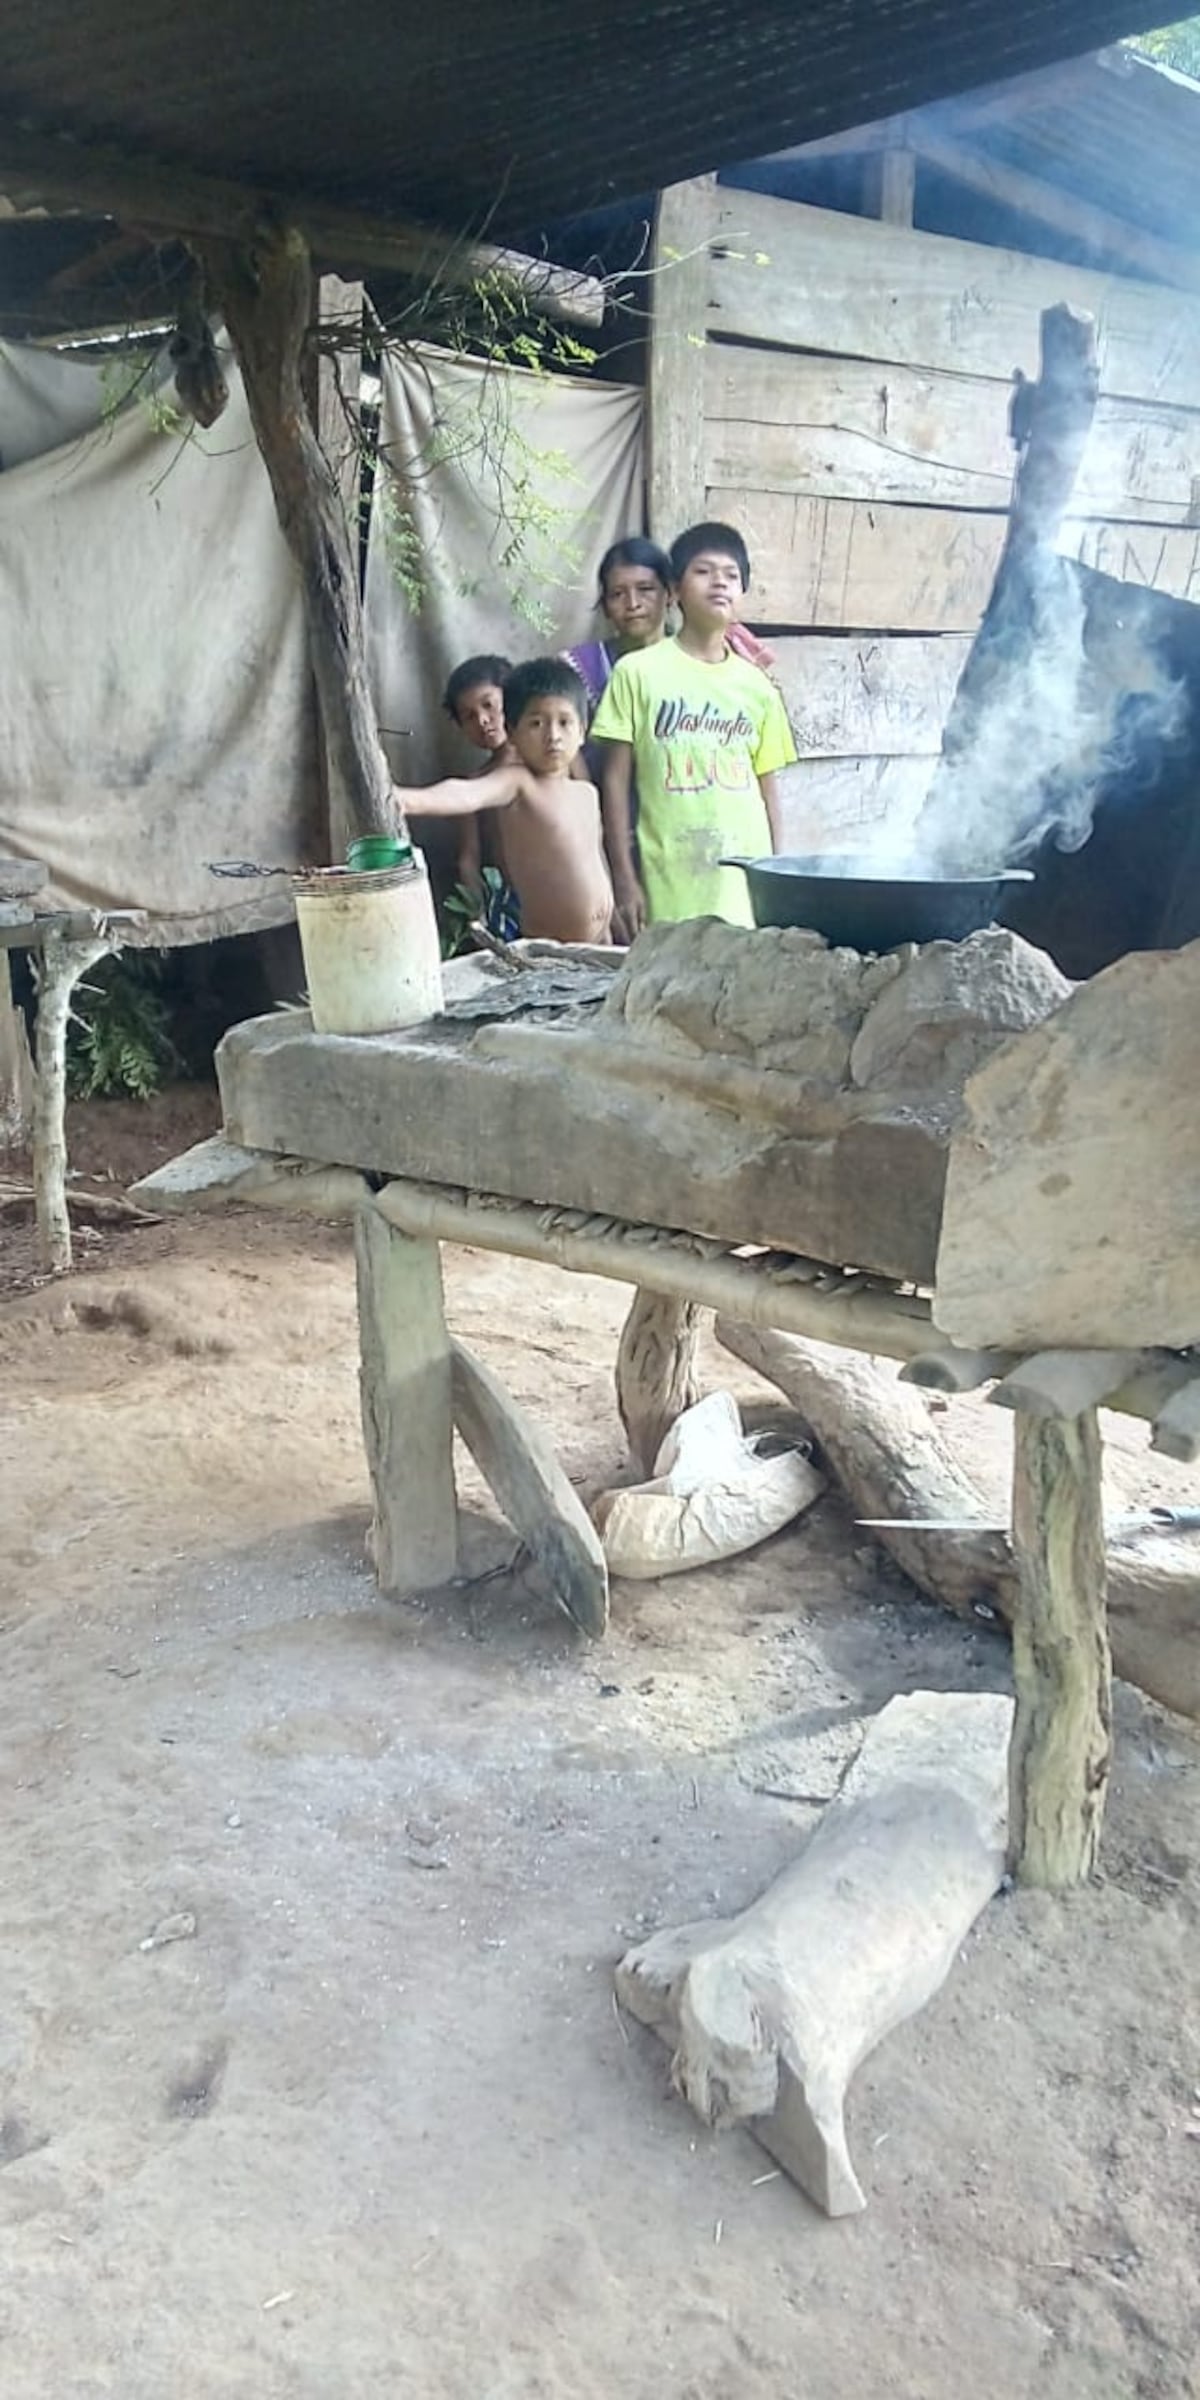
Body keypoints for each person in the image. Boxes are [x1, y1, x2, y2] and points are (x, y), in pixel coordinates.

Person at [590, 521, 796, 934]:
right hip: (670, 880)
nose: (719, 582)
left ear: (742, 593)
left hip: (744, 883)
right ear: (675, 590)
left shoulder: (758, 687)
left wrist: (777, 876)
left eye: (731, 575)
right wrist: (624, 879)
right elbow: (614, 783)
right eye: (703, 571)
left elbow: (767, 790)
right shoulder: (637, 673)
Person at [395, 659, 612, 944]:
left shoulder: (586, 793)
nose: (553, 736)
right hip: (551, 953)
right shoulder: (517, 782)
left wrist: (608, 936)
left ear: (582, 731)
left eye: (564, 722)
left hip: (599, 941)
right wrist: (404, 799)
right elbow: (465, 794)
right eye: (536, 723)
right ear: (513, 732)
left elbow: (597, 863)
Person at [441, 654, 516, 930]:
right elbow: (468, 859)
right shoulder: (475, 784)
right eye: (469, 716)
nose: (483, 720)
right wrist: (477, 916)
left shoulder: (555, 761)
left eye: (488, 705)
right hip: (510, 908)